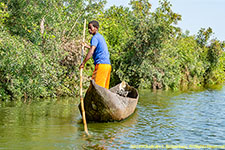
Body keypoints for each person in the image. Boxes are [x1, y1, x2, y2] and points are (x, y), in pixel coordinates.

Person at [79, 20, 111, 89]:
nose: (89, 30)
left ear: (96, 28)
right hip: (107, 66)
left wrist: (83, 63)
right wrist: (87, 46)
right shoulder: (100, 37)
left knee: (97, 88)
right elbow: (96, 48)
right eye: (88, 28)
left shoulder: (95, 37)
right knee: (104, 89)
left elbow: (91, 51)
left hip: (101, 65)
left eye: (90, 28)